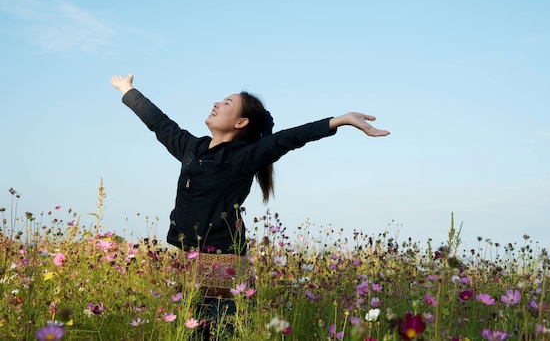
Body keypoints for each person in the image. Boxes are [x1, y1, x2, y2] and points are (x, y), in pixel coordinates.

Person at [110, 73, 389, 338]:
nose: (216, 103)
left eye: (227, 103)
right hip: (191, 270)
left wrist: (340, 120)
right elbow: (159, 123)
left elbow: (288, 138)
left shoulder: (243, 157)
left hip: (227, 278)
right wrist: (128, 90)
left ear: (241, 122)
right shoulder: (190, 148)